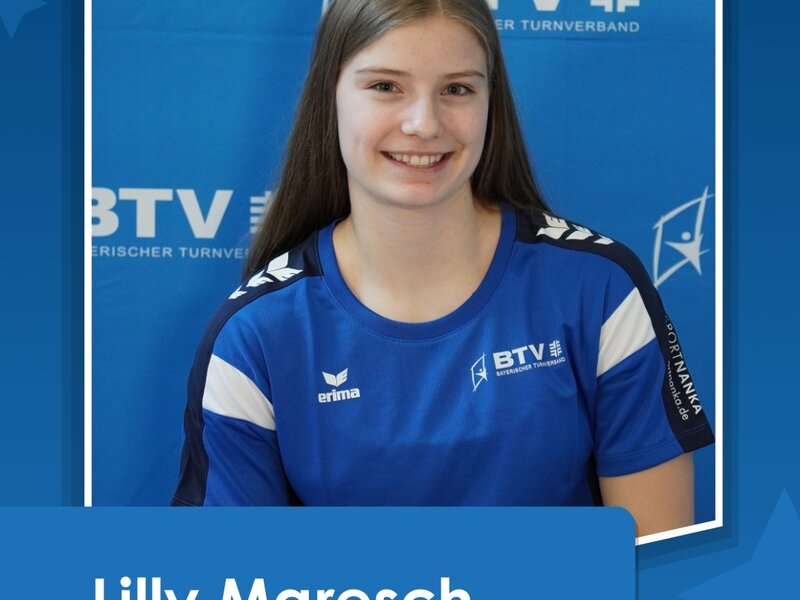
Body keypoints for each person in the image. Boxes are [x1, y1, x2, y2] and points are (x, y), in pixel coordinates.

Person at [172, 0, 713, 536]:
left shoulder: (600, 290)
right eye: (386, 86)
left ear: (491, 102)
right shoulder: (254, 336)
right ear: (329, 96)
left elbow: (657, 562)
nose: (423, 124)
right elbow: (233, 571)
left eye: (457, 89)